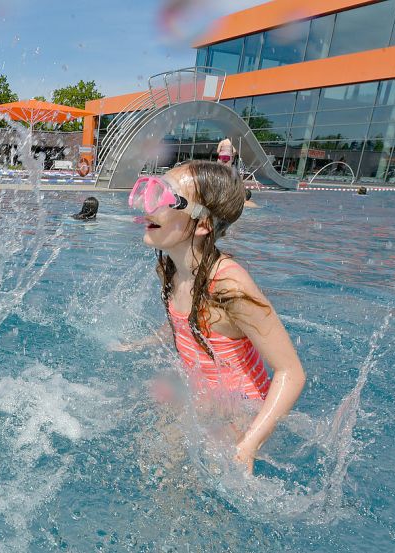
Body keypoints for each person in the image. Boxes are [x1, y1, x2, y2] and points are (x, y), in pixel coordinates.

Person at [124, 161, 305, 473]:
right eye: (154, 190)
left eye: (165, 197)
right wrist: (140, 343)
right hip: (198, 392)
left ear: (203, 223)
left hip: (240, 410)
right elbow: (184, 325)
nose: (149, 204)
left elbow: (291, 373)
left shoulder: (229, 285)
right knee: (149, 462)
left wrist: (249, 444)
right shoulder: (168, 269)